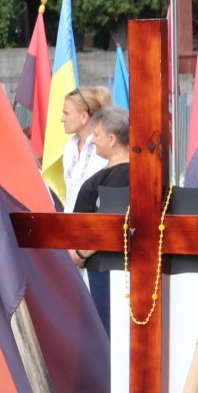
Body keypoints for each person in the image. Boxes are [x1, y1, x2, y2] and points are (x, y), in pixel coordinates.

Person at [71, 106, 130, 331]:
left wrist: (80, 253)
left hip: (108, 267)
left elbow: (111, 221)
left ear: (112, 139)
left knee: (108, 329)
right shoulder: (112, 171)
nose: (92, 140)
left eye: (96, 135)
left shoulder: (122, 173)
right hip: (100, 265)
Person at [59, 86, 111, 212]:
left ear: (83, 116)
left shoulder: (104, 148)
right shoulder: (70, 147)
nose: (62, 119)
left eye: (66, 113)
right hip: (70, 221)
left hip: (95, 221)